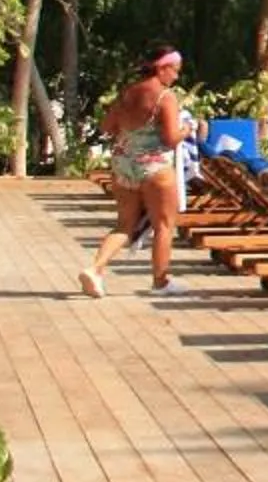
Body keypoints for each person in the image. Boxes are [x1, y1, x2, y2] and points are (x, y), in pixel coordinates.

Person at [79, 45, 188, 298]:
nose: (176, 76)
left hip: (124, 165)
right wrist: (188, 130)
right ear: (162, 68)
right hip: (155, 167)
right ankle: (160, 283)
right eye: (175, 70)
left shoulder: (127, 93)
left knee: (124, 225)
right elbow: (171, 138)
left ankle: (95, 269)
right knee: (163, 224)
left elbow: (107, 126)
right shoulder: (165, 97)